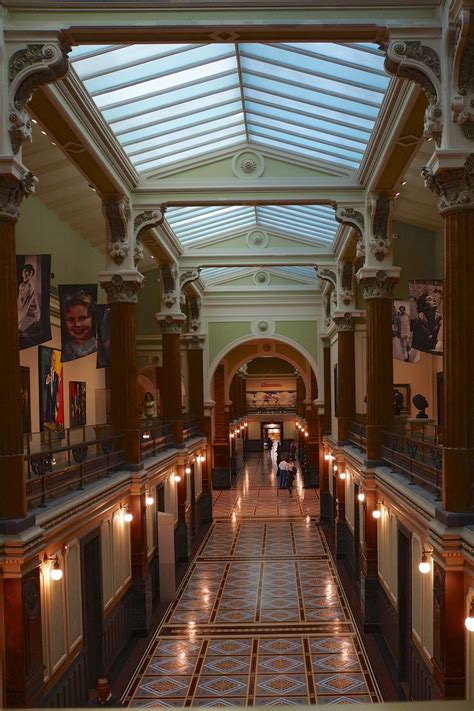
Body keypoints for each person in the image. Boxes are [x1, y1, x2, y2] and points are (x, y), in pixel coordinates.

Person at [62, 290, 97, 361]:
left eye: (82, 318)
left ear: (92, 318)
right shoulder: (65, 349)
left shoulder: (98, 347)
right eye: (71, 320)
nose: (77, 324)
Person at [17, 263, 40, 335]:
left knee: (19, 329)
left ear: (31, 275)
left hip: (32, 315)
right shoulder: (21, 285)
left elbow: (25, 306)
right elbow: (19, 302)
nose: (27, 274)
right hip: (25, 312)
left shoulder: (30, 286)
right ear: (22, 273)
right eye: (25, 271)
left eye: (30, 272)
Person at [44, 352, 59, 426]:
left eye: (55, 360)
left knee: (52, 410)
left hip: (53, 398)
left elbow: (57, 390)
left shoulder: (56, 375)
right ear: (49, 360)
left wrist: (57, 400)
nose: (54, 362)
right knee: (47, 409)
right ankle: (47, 420)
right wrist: (46, 381)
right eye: (52, 360)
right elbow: (42, 386)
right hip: (47, 398)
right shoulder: (46, 370)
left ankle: (52, 421)